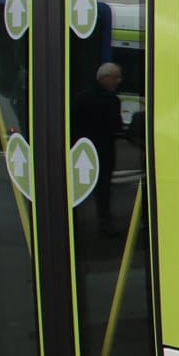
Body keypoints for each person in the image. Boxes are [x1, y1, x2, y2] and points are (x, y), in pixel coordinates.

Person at [75, 62, 123, 238]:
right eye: (116, 77)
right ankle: (105, 223)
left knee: (79, 185)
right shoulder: (112, 100)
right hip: (103, 149)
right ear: (105, 78)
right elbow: (116, 125)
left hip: (83, 149)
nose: (118, 81)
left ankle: (73, 220)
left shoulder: (82, 97)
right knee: (103, 189)